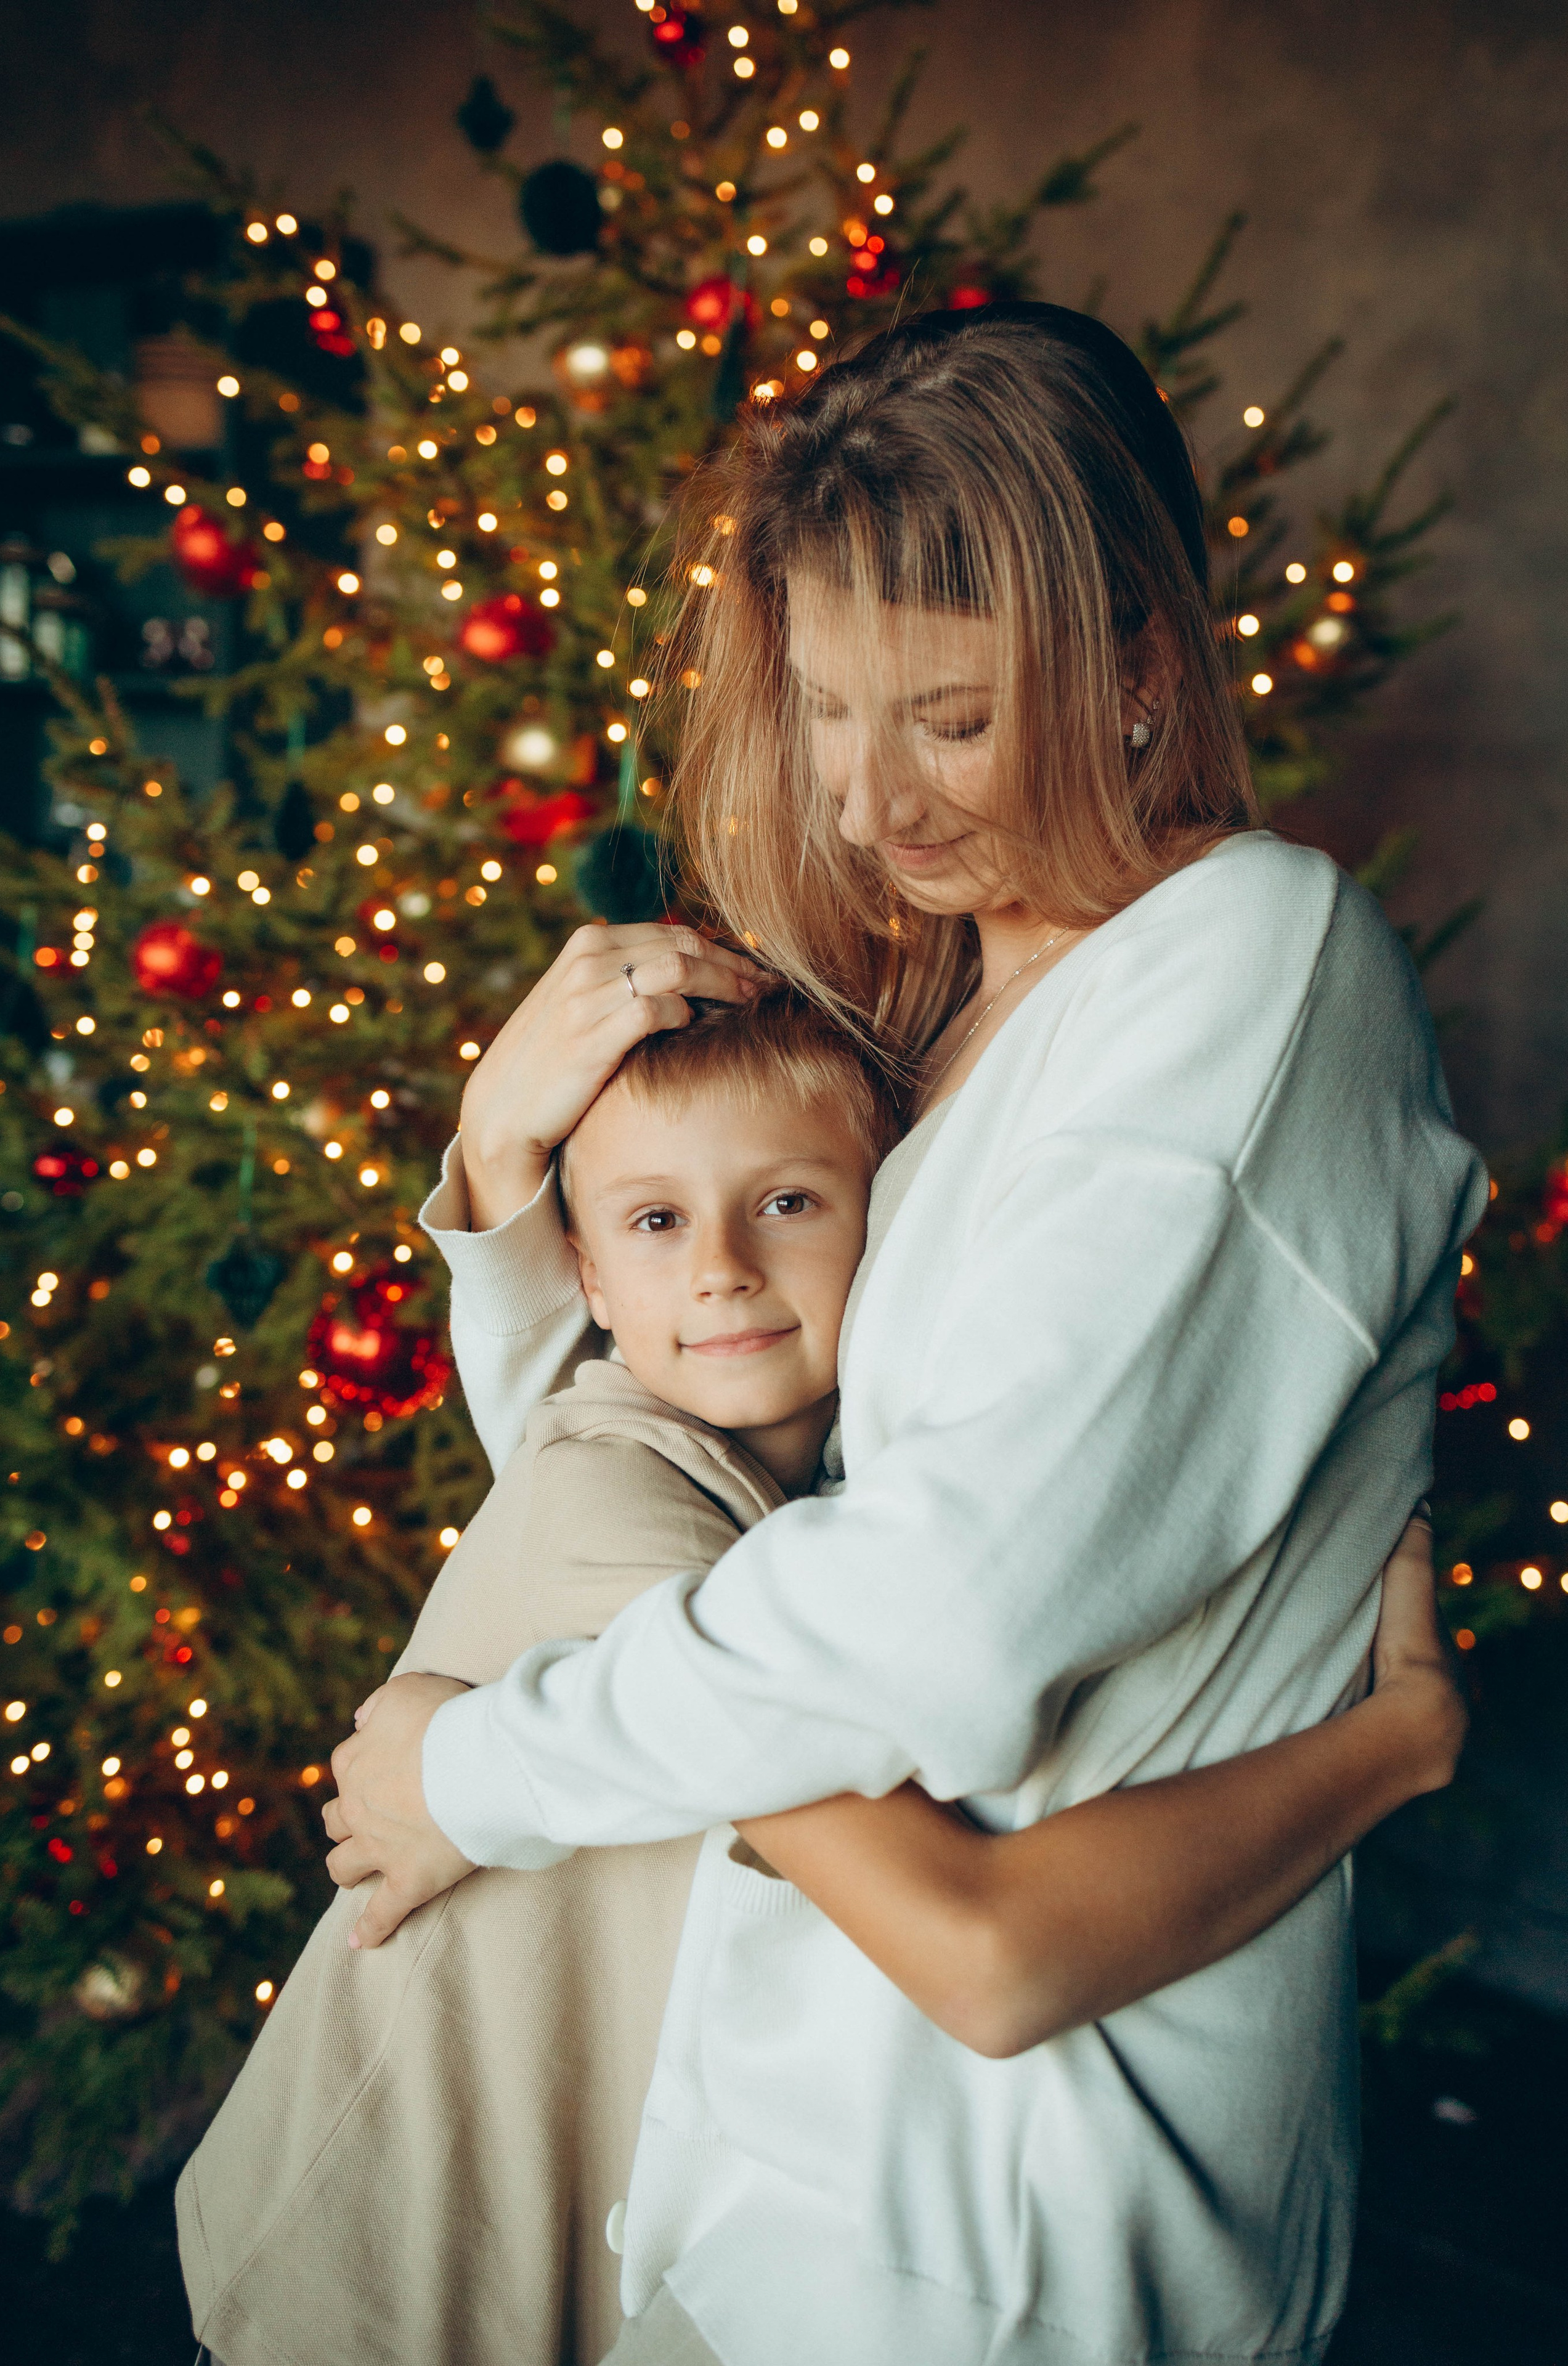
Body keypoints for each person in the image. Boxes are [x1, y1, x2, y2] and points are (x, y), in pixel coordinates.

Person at [328, 304, 1489, 2366]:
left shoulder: (1246, 972)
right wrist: (507, 1183)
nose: (870, 805)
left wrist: (486, 1771)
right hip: (796, 2145)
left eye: (945, 717)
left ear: (1141, 658)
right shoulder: (948, 1009)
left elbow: (926, 1626)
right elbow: (669, 1520)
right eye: (830, 711)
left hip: (1026, 2217)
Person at [182, 996, 1460, 2366]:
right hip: (349, 2302)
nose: (723, 1268)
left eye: (785, 1201)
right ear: (591, 1281)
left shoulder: (810, 1496)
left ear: (889, 1236)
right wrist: (1396, 1740)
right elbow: (982, 1943)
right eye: (657, 1222)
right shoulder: (623, 1530)